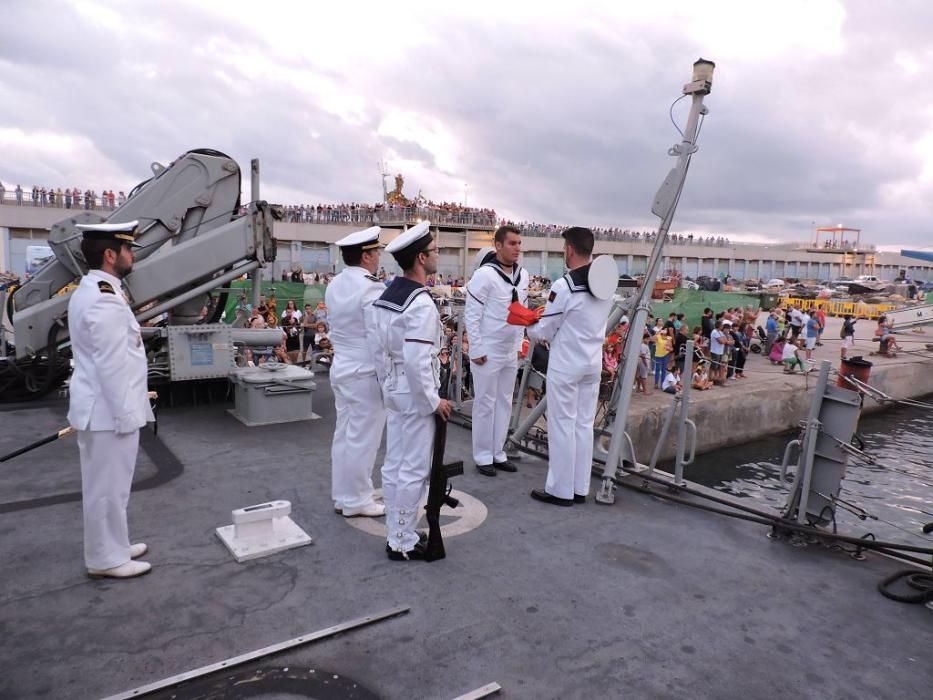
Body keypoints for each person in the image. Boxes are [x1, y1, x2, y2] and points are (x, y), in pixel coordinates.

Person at [67, 221, 154, 579]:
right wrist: (127, 415)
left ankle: (113, 545)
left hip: (101, 409)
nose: (131, 256)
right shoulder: (104, 299)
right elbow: (112, 364)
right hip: (109, 413)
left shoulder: (98, 290)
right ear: (109, 255)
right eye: (127, 249)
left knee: (110, 488)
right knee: (107, 490)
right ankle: (106, 559)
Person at [372, 221, 451, 560]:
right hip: (415, 390)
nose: (437, 256)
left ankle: (397, 532)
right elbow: (419, 360)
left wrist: (387, 387)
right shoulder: (420, 304)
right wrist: (433, 402)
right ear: (421, 258)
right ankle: (402, 541)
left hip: (394, 385)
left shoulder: (386, 296)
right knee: (414, 470)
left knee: (394, 465)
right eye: (433, 252)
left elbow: (377, 352)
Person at [527, 227, 611, 506]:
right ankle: (579, 488)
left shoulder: (564, 286)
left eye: (565, 248)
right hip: (591, 363)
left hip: (566, 364)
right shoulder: (605, 283)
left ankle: (560, 491)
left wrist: (529, 327)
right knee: (584, 426)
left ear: (571, 250)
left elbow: (546, 330)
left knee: (562, 425)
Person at [325, 226, 388, 519]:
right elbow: (378, 337)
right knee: (364, 438)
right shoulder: (372, 287)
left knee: (345, 435)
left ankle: (342, 495)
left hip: (342, 367)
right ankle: (357, 500)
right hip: (365, 372)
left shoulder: (334, 284)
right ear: (365, 256)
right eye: (376, 253)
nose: (378, 258)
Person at [463, 225, 529, 476]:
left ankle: (498, 452)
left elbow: (521, 310)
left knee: (504, 401)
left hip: (509, 349)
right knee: (485, 403)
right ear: (498, 245)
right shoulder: (485, 275)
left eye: (519, 243)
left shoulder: (523, 276)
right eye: (512, 243)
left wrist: (520, 343)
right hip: (488, 349)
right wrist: (476, 347)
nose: (517, 248)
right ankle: (482, 456)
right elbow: (472, 313)